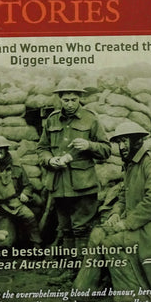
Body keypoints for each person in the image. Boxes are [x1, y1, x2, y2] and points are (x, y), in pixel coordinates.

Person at [74, 121, 151, 294]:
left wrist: (126, 223)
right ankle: (83, 291)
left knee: (111, 244)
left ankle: (132, 297)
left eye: (125, 141)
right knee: (97, 234)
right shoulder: (130, 166)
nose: (121, 147)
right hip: (139, 223)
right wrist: (115, 214)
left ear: (137, 141)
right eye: (119, 142)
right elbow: (123, 196)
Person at [37, 77, 111, 259]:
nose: (69, 104)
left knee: (81, 229)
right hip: (59, 185)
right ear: (59, 99)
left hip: (82, 185)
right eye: (65, 100)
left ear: (80, 98)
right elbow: (42, 148)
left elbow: (106, 150)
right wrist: (50, 160)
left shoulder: (91, 119)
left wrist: (89, 145)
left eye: (74, 100)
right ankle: (70, 265)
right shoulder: (52, 120)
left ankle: (81, 268)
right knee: (65, 228)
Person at [0, 135, 42, 248]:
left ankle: (36, 244)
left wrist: (25, 193)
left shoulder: (16, 167)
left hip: (13, 202)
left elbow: (27, 185)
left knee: (29, 216)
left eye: (2, 148)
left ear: (6, 149)